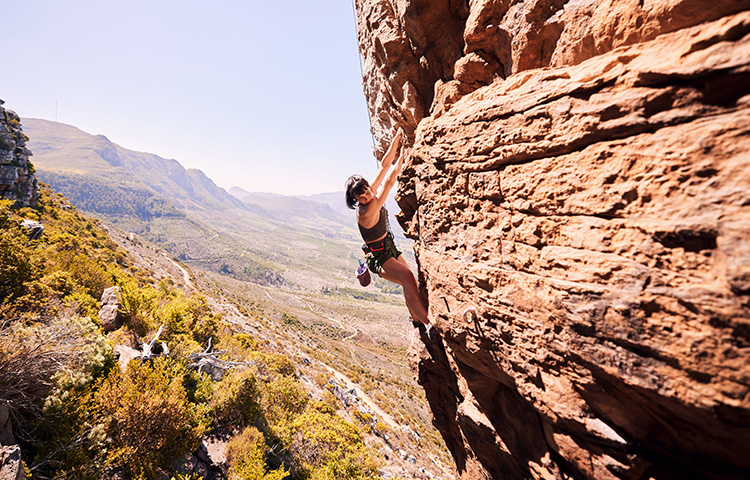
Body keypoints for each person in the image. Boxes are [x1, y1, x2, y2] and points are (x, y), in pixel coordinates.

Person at [345, 129, 429, 326]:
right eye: (361, 197)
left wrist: (397, 138)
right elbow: (389, 182)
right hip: (379, 256)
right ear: (357, 201)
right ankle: (429, 324)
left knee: (410, 282)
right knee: (407, 277)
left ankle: (416, 319)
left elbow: (383, 167)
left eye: (366, 191)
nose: (367, 196)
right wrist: (402, 157)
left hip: (388, 247)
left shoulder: (369, 193)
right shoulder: (367, 209)